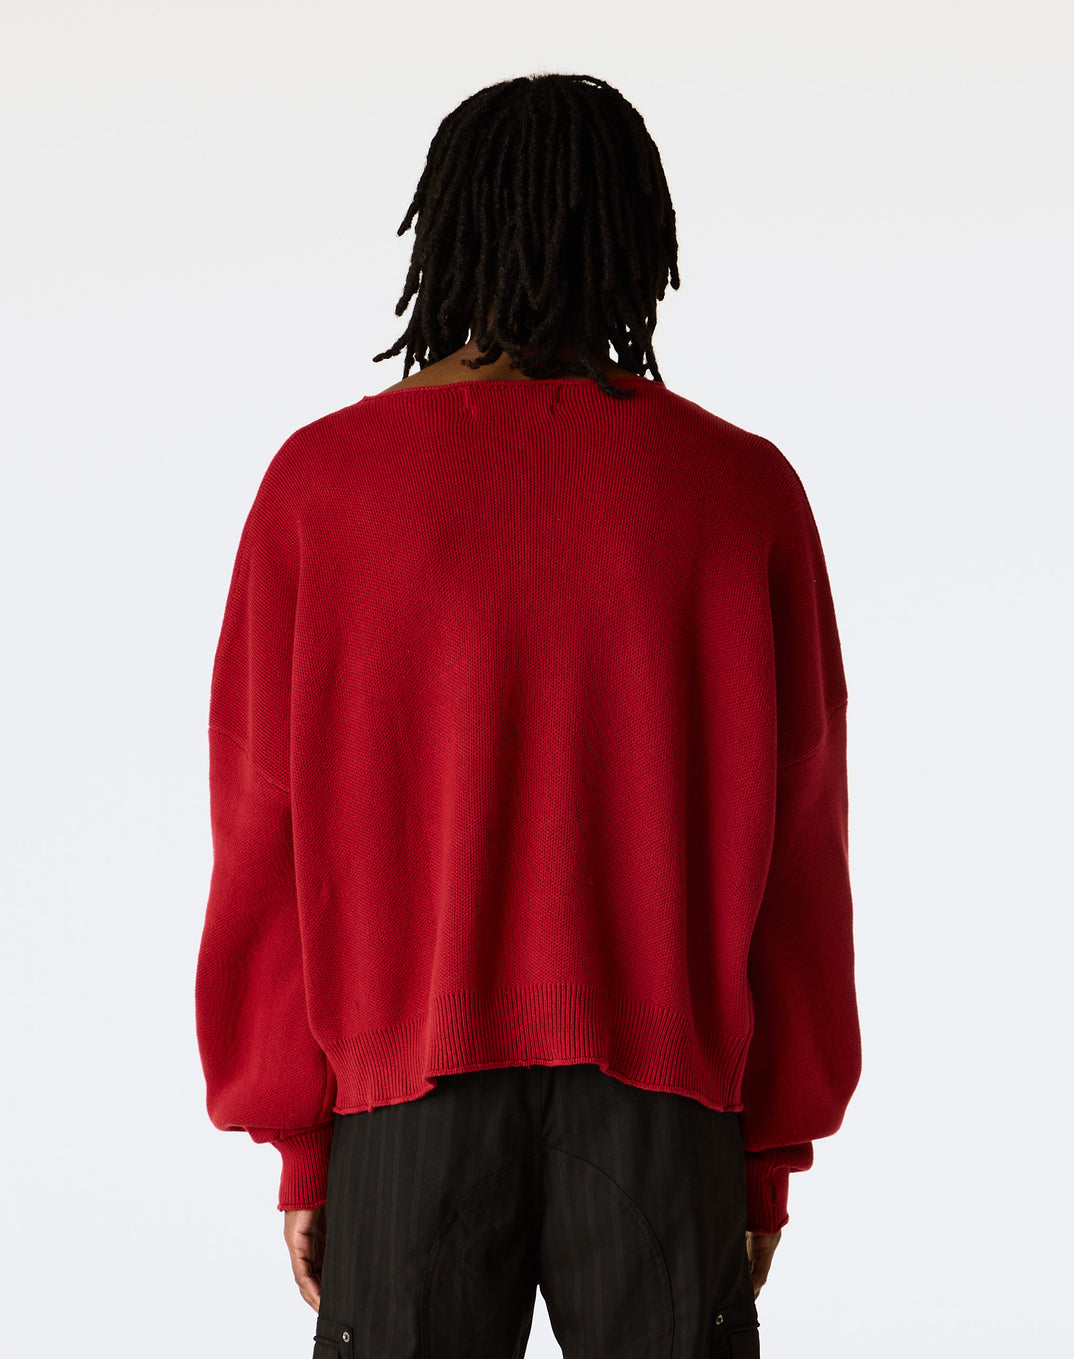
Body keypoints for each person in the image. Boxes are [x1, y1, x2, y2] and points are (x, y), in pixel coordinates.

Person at [195, 72, 861, 1358]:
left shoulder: (322, 487)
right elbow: (800, 839)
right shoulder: (739, 490)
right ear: (638, 239)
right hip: (666, 1103)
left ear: (445, 228)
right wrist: (769, 1149)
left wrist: (300, 1137)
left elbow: (262, 826)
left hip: (404, 1095)